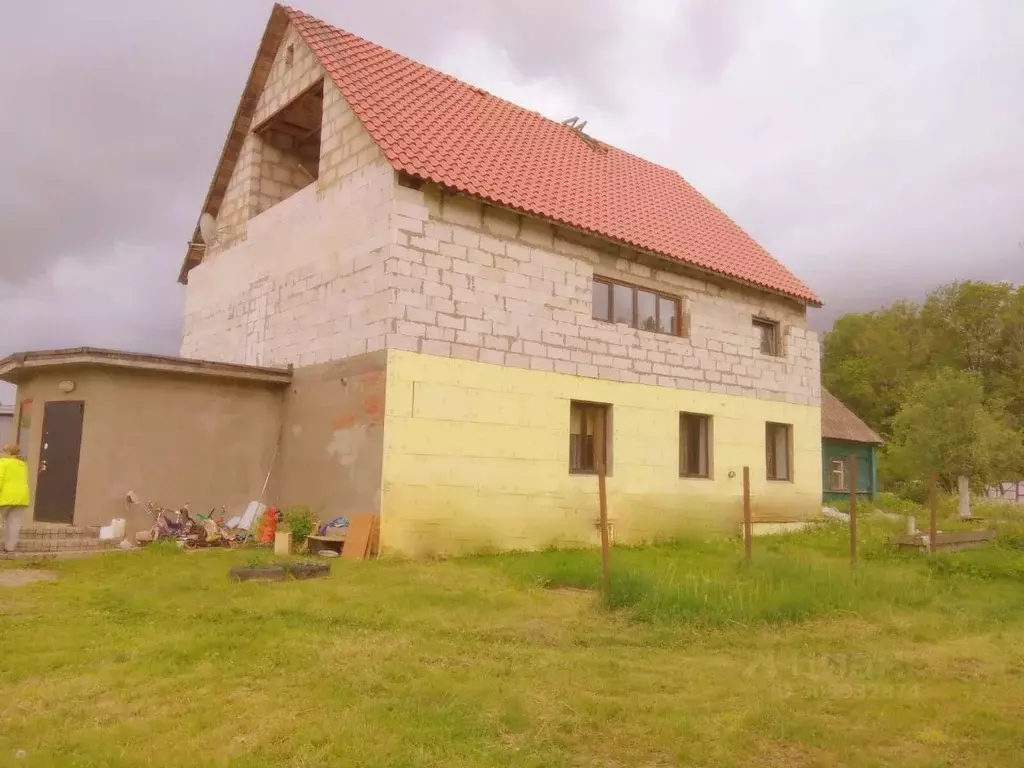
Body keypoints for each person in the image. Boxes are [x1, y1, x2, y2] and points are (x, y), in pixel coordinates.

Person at [0, 443, 30, 553]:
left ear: (8, 452)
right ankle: (10, 547)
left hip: (5, 497)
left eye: (3, 451)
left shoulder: (3, 463)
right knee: (14, 523)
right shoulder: (23, 465)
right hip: (21, 498)